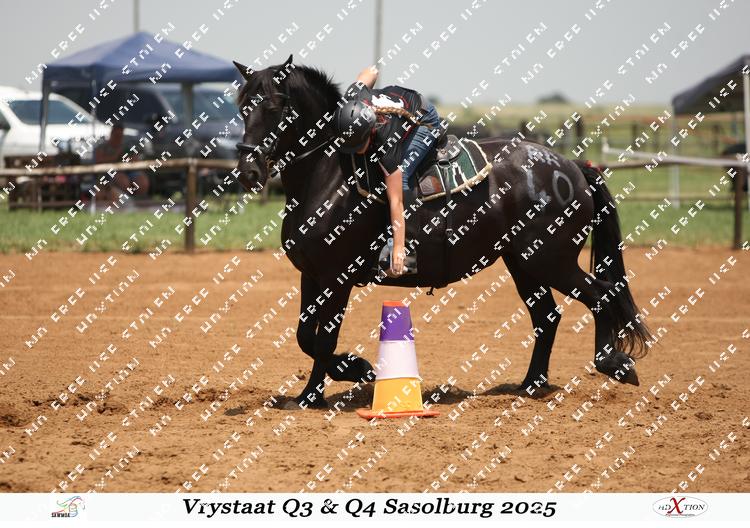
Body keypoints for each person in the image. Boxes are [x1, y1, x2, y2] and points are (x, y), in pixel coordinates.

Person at [335, 66, 441, 276]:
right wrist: (373, 72)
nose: (355, 151)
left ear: (370, 132)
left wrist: (398, 247)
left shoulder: (386, 141)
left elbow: (396, 200)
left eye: (358, 145)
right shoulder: (351, 98)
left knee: (402, 178)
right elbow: (371, 72)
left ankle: (408, 251)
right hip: (398, 101)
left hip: (424, 119)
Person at [94, 123, 149, 201]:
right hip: (110, 173)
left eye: (120, 136)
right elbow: (98, 161)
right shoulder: (102, 147)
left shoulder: (127, 146)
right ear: (112, 134)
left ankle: (140, 202)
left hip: (129, 171)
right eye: (117, 136)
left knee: (142, 181)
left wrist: (131, 159)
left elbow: (136, 159)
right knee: (123, 181)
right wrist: (115, 156)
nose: (119, 138)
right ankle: (126, 202)